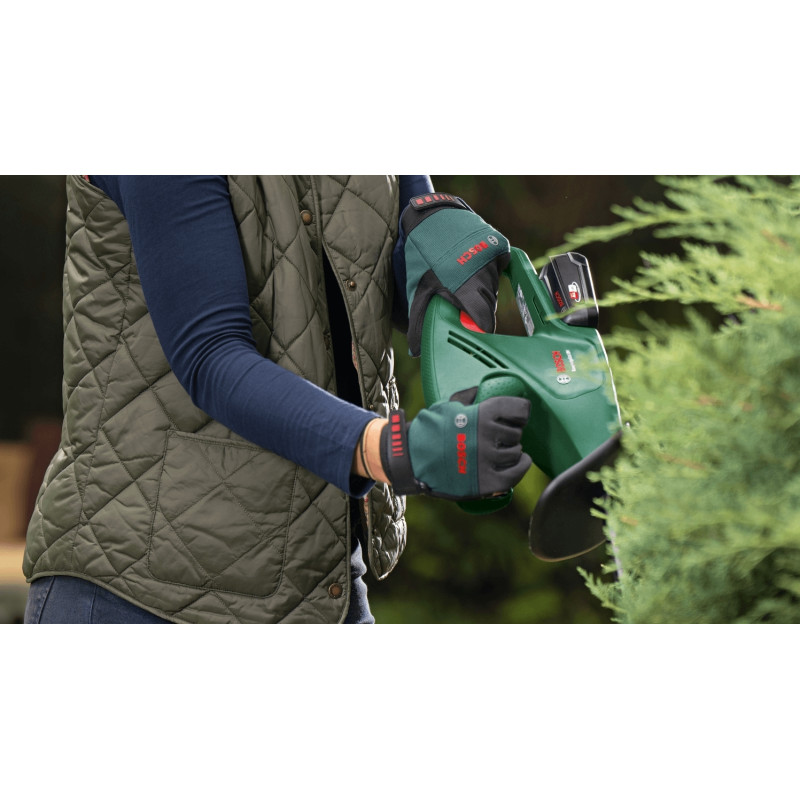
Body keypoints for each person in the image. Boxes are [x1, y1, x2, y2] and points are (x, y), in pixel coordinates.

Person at [23, 176, 532, 624]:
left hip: (318, 575)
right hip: (138, 588)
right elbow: (211, 356)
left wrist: (448, 251)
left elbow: (400, 271)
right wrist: (396, 449)